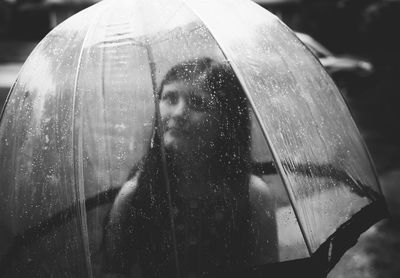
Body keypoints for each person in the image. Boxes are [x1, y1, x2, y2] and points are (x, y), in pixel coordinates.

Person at [103, 57, 277, 278]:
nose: (178, 113)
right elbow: (115, 271)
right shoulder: (134, 196)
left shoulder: (252, 196)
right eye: (170, 98)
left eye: (197, 103)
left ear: (225, 120)